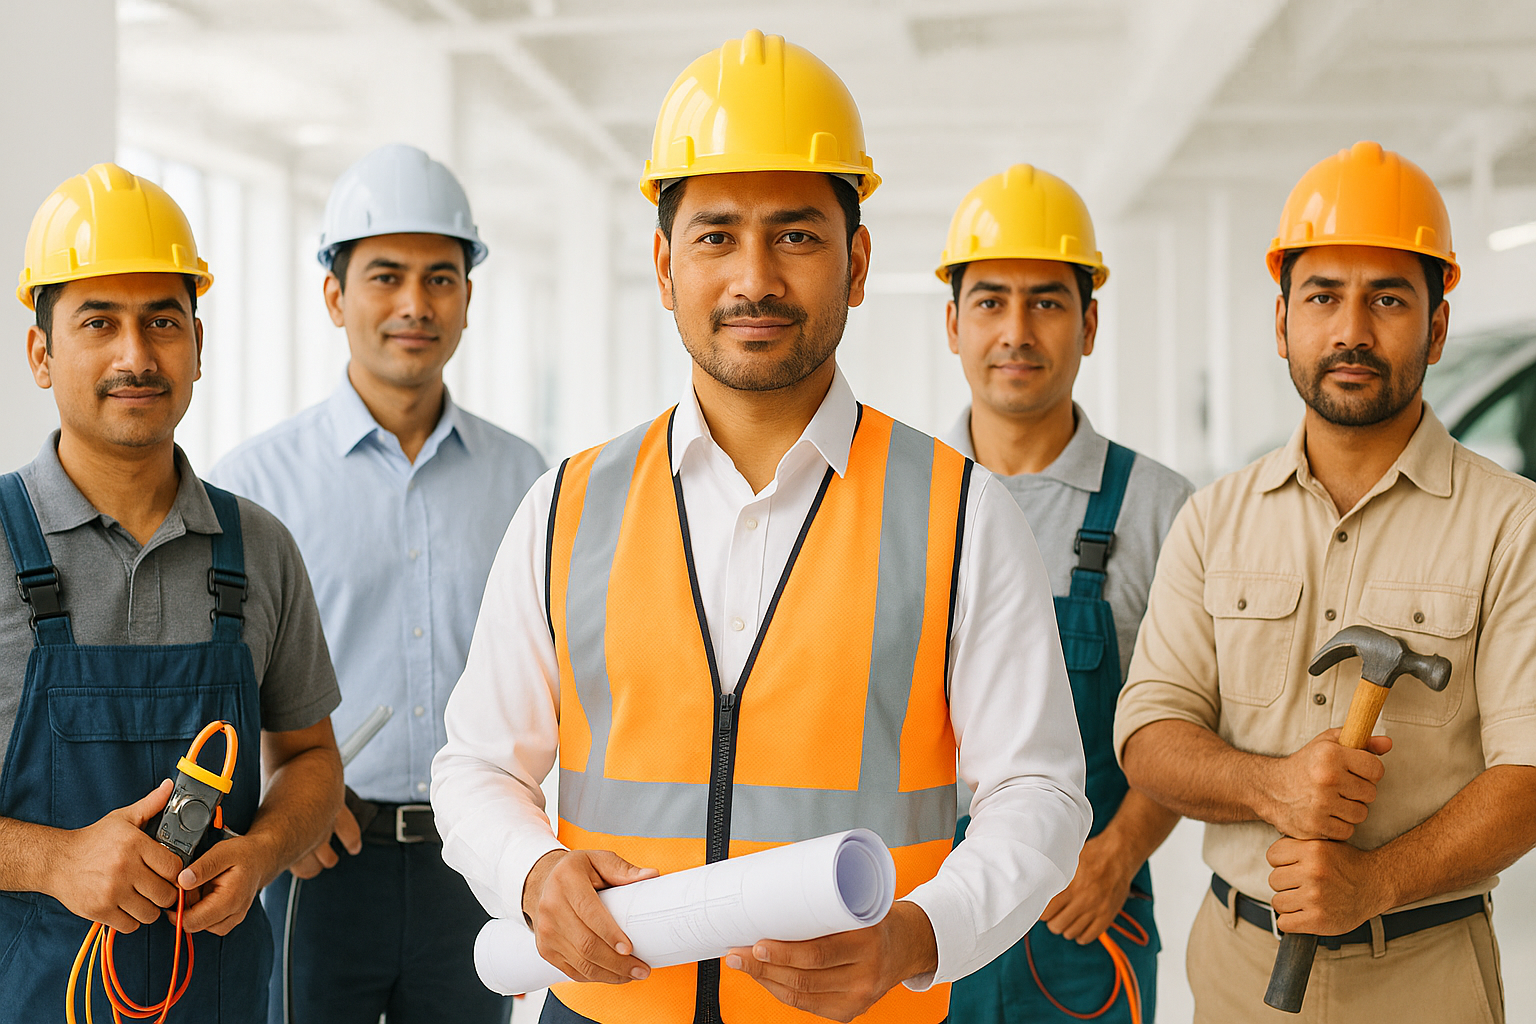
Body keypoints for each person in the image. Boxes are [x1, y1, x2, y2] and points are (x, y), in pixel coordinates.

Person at [431, 29, 1090, 1024]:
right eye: (715, 237)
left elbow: (1039, 793)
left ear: (857, 262)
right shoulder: (567, 506)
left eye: (796, 234)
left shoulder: (960, 514)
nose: (754, 279)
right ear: (663, 265)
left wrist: (915, 935)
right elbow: (478, 764)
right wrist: (531, 871)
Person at [1115, 140, 1536, 1023]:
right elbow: (1149, 733)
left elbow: (1529, 774)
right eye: (1322, 297)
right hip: (1239, 972)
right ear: (1281, 324)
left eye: (1389, 298)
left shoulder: (1513, 525)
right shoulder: (1214, 518)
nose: (1352, 330)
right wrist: (1268, 785)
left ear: (1438, 327)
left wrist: (1375, 882)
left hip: (1430, 975)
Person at [209, 143, 546, 1024]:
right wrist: (280, 809)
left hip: (473, 864)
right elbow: (217, 688)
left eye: (441, 278)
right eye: (385, 276)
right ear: (335, 295)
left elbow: (557, 676)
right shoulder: (255, 486)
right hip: (321, 867)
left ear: (468, 298)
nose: (414, 305)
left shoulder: (529, 480)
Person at [0, 163, 343, 1022]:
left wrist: (264, 852)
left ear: (198, 344)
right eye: (98, 322)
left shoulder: (257, 548)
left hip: (220, 997)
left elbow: (312, 760)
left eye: (162, 320)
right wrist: (54, 862)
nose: (136, 355)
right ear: (42, 353)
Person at [938, 165, 1191, 1024]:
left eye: (1047, 301)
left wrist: (1118, 856)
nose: (1016, 331)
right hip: (927, 916)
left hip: (1088, 915)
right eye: (990, 301)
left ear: (1089, 322)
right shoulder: (895, 498)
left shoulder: (1161, 508)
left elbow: (1196, 715)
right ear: (952, 322)